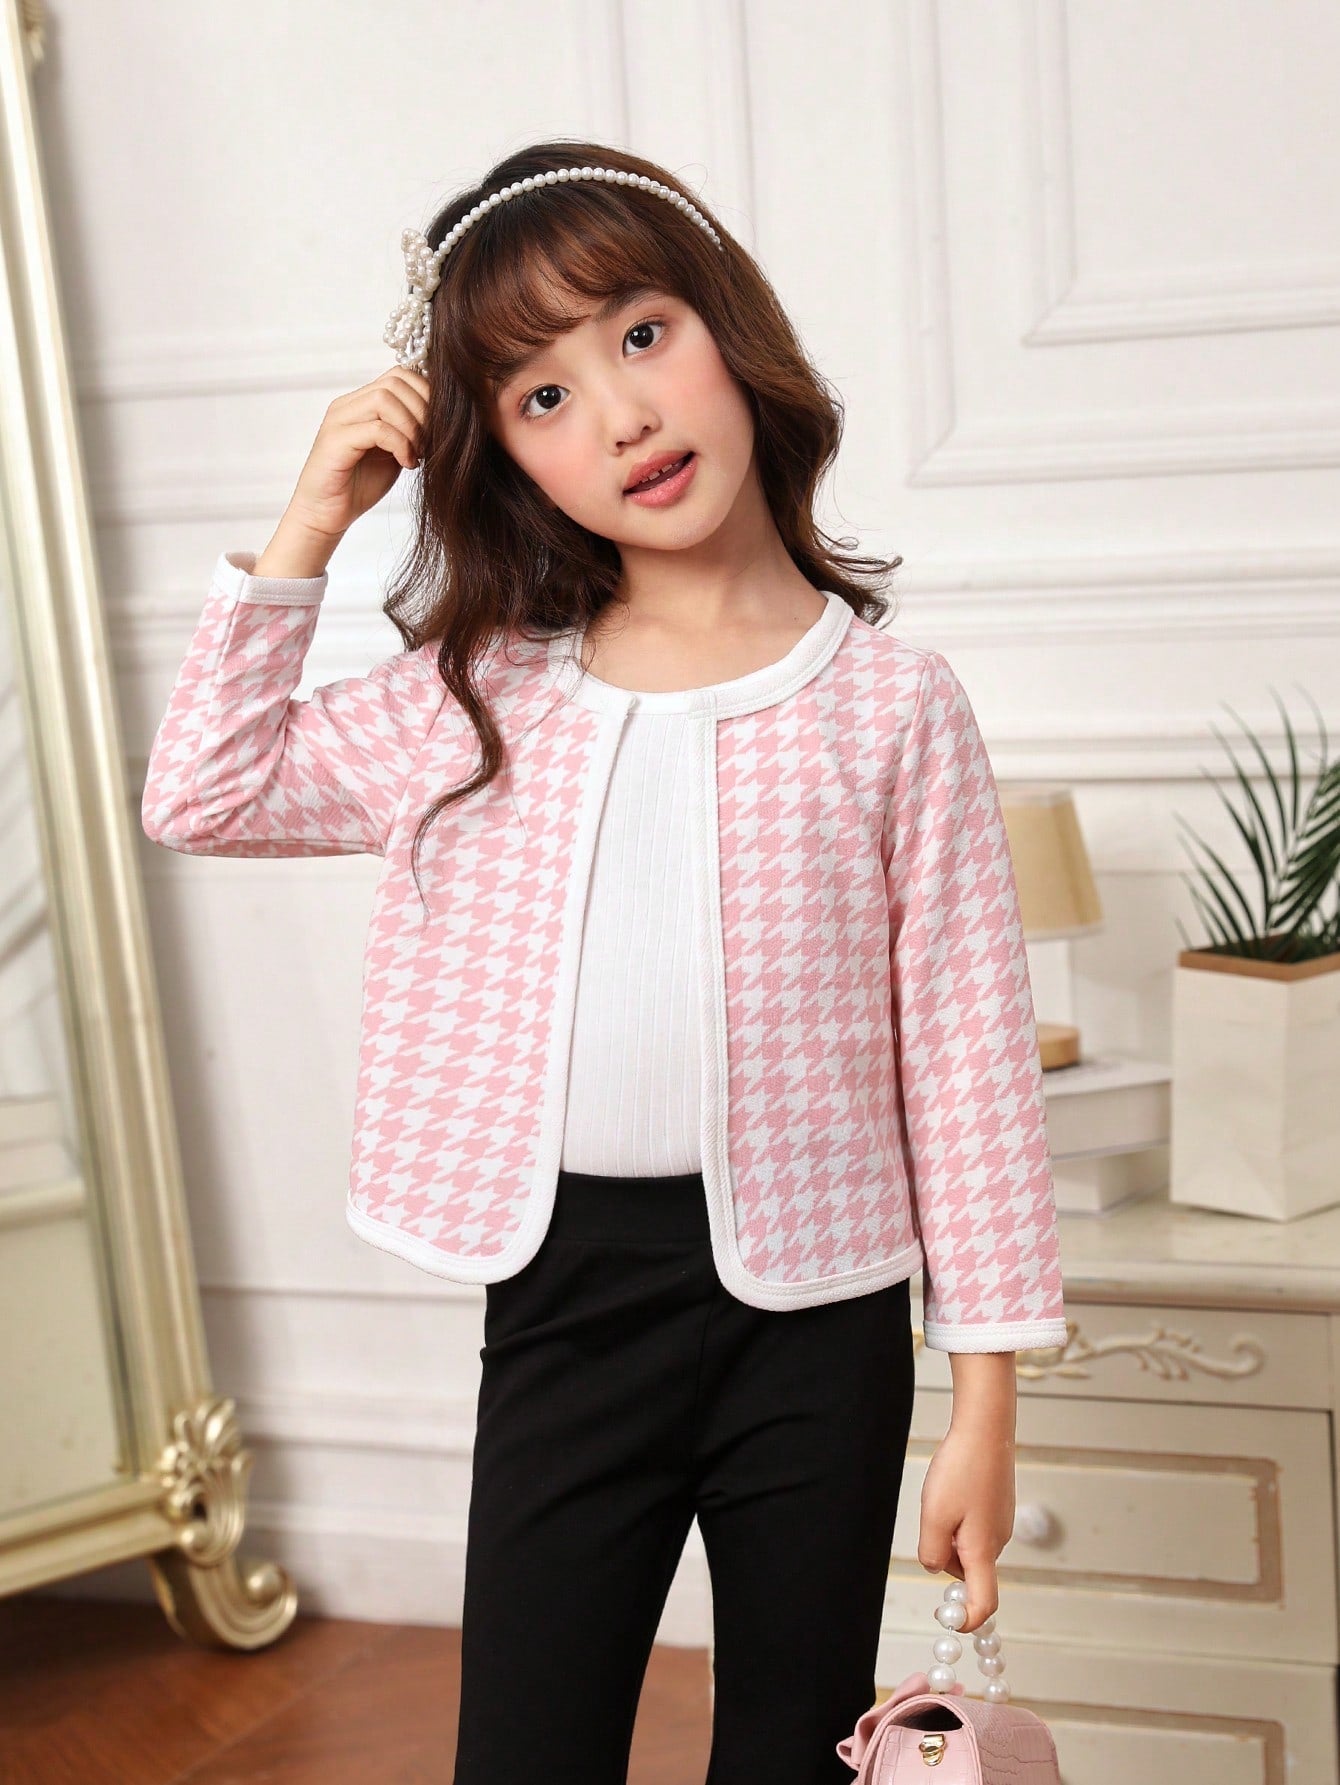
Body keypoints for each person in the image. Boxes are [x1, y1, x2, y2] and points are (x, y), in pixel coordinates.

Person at [141, 138, 1068, 1785]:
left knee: (793, 1751)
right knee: (526, 1750)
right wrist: (309, 524)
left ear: (727, 326)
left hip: (820, 1320)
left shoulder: (892, 709)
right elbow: (204, 791)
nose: (624, 415)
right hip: (567, 1296)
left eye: (642, 334)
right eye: (544, 396)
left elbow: (969, 1061)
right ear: (504, 456)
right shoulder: (481, 690)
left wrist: (983, 1403)